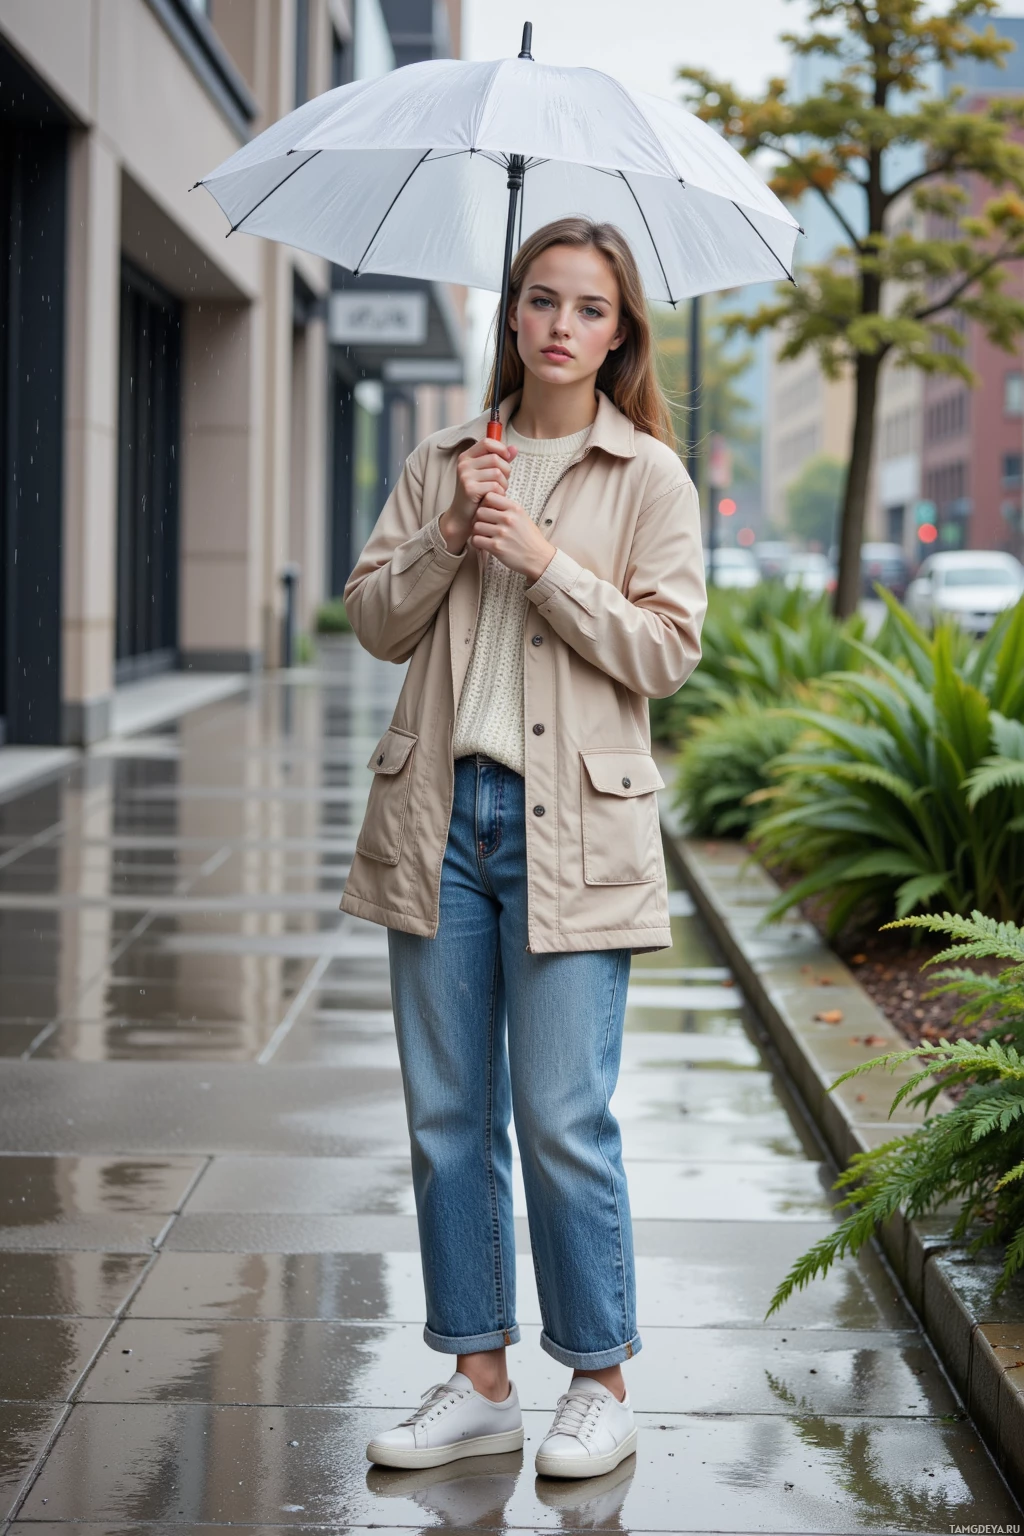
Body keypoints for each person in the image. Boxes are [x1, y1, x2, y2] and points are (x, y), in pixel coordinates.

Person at [339, 216, 707, 1479]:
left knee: (560, 1117)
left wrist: (543, 559)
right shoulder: (446, 455)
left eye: (588, 308)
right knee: (448, 1115)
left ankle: (598, 1379)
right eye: (540, 299)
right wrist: (452, 533)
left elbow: (667, 648)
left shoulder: (648, 476)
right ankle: (477, 1373)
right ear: (510, 315)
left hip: (572, 828)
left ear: (619, 334)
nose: (560, 324)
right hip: (439, 818)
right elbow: (372, 624)